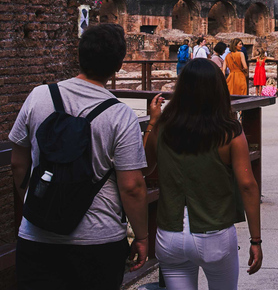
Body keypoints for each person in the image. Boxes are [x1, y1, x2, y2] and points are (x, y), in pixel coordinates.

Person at [10, 24, 149, 289]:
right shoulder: (121, 115)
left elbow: (18, 162)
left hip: (37, 237)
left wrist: (35, 202)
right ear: (118, 66)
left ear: (79, 56)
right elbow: (132, 186)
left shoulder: (39, 96)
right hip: (98, 240)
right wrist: (141, 236)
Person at [143, 58, 263, 289]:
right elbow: (247, 185)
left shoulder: (164, 127)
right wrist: (255, 239)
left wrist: (153, 123)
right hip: (214, 233)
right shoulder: (229, 132)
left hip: (171, 233)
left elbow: (146, 167)